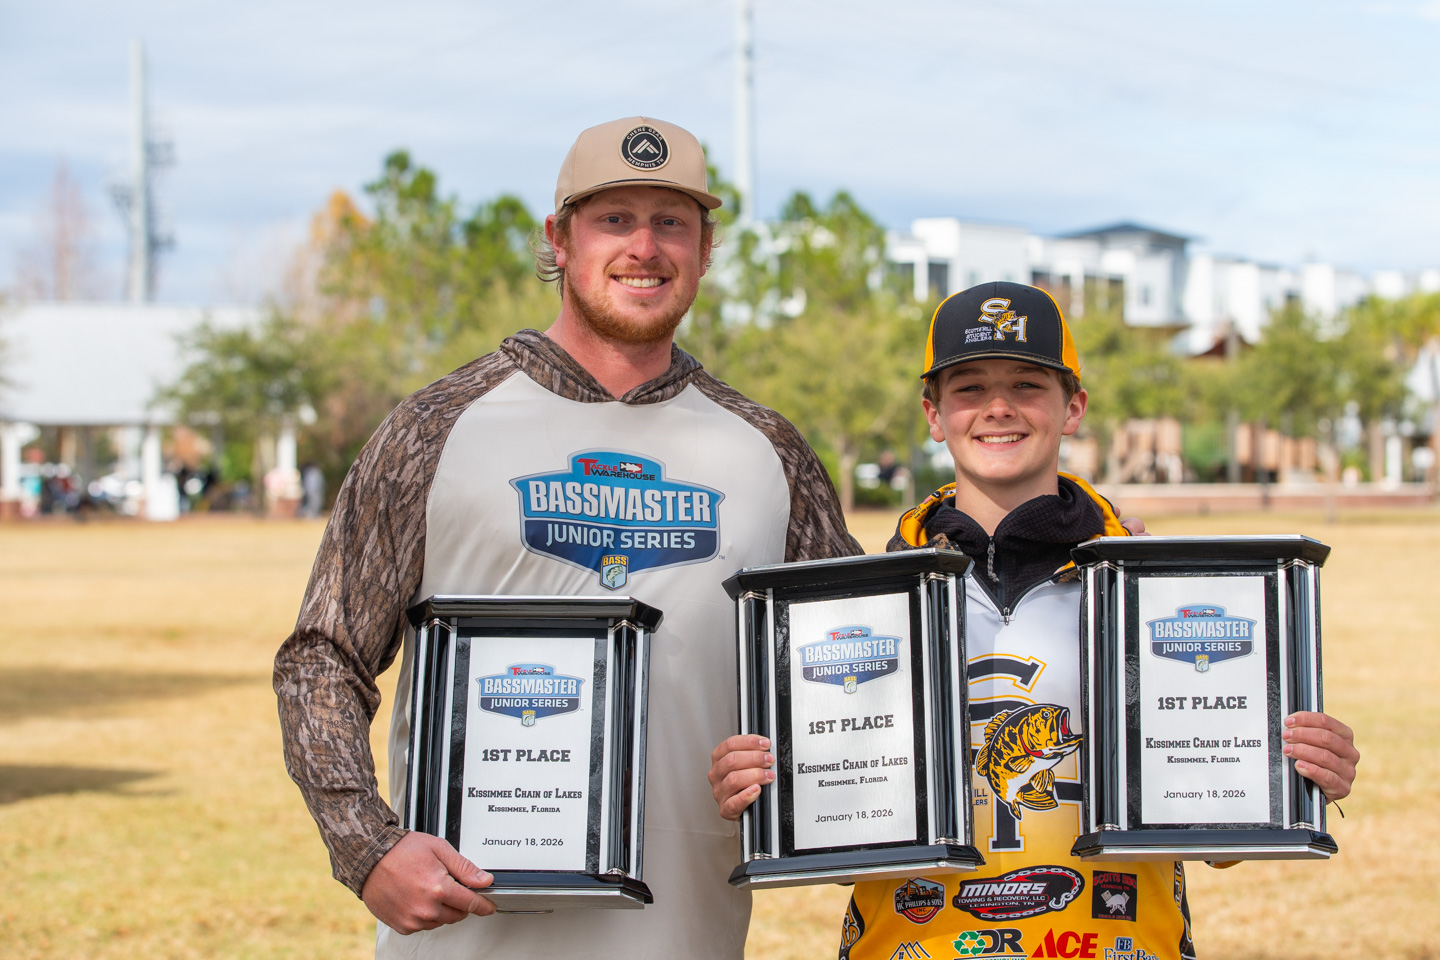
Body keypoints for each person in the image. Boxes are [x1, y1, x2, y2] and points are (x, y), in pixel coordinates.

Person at [273, 116, 859, 960]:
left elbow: (844, 678)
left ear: (705, 248)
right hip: (469, 941)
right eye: (614, 219)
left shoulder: (769, 450)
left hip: (682, 939)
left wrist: (816, 788)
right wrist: (365, 845)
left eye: (671, 222)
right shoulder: (435, 427)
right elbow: (322, 656)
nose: (644, 247)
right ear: (558, 237)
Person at [707, 281, 1360, 960]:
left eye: (1026, 384)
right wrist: (770, 788)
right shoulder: (863, 603)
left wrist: (1291, 770)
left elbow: (1217, 824)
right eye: (969, 388)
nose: (998, 407)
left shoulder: (1146, 591)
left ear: (1073, 407)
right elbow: (845, 838)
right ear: (933, 414)